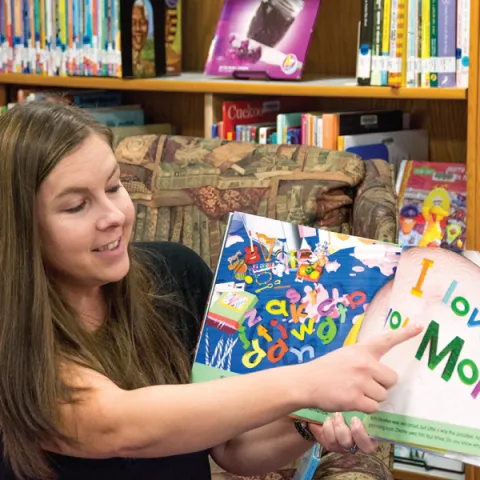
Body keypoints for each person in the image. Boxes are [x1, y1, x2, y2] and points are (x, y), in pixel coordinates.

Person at [0, 101, 422, 480]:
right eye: (76, 206)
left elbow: (233, 447)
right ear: (21, 229)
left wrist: (304, 423)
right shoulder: (11, 332)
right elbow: (116, 426)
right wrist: (310, 383)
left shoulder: (176, 274)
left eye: (114, 186)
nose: (113, 216)